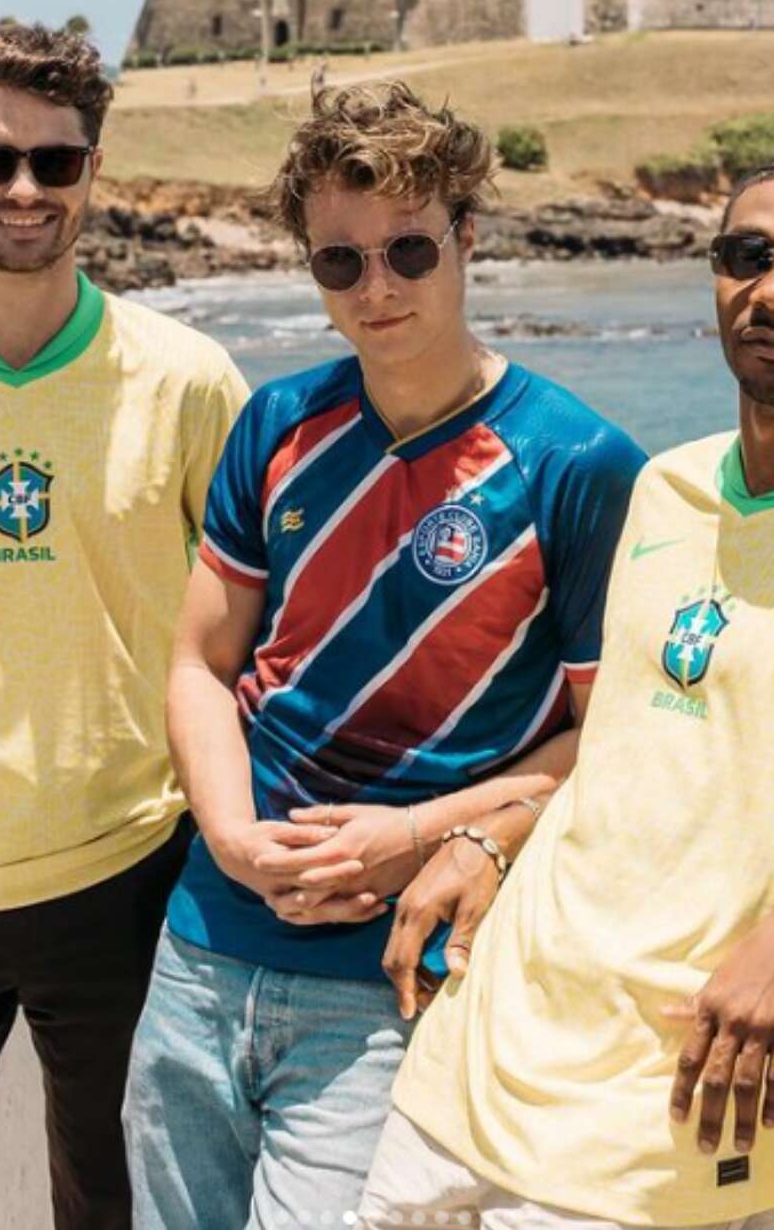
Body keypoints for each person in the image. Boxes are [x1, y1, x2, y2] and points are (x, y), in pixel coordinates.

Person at [122, 83, 647, 1228]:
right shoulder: (275, 425)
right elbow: (199, 665)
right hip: (201, 946)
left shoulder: (578, 464)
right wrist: (228, 838)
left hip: (398, 980)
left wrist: (414, 835)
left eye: (408, 248)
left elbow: (612, 742)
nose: (377, 287)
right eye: (339, 262)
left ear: (467, 236)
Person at [358, 148, 774, 1230]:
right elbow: (634, 749)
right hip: (481, 1045)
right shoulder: (664, 485)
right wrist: (494, 831)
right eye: (747, 255)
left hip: (683, 1096)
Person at [0, 22, 250, 1230]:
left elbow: (256, 630)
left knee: (114, 1209)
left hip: (131, 870)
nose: (22, 190)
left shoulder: (187, 378)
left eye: (55, 161)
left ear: (93, 169)